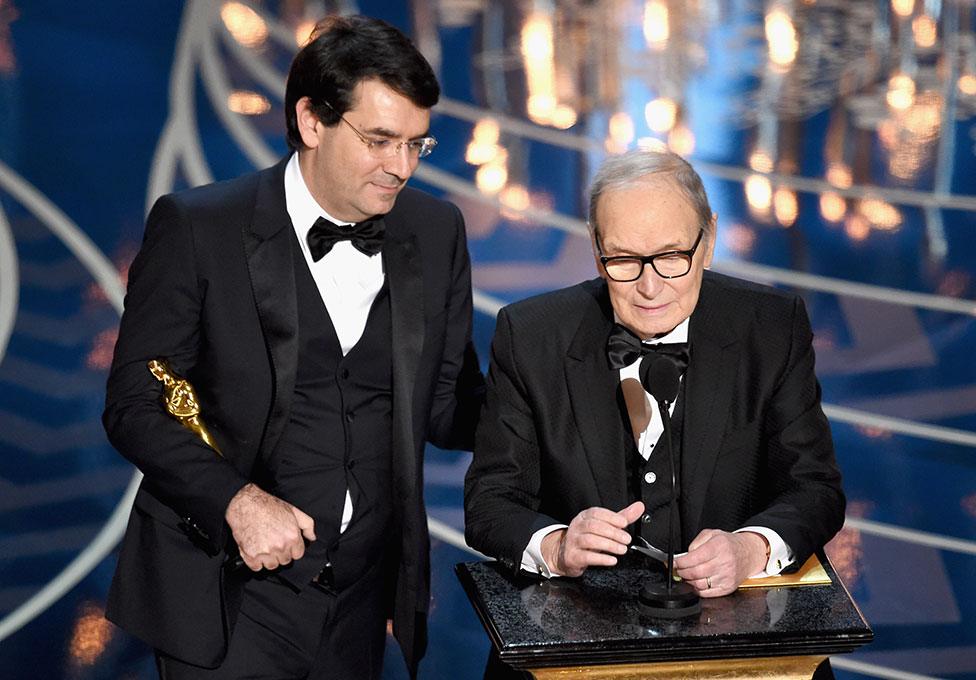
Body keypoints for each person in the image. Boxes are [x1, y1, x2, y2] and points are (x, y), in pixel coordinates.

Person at [104, 15, 483, 680]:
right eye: (379, 140)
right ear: (311, 122)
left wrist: (564, 383)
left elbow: (449, 407)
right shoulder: (200, 228)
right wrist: (237, 501)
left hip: (361, 605)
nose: (400, 167)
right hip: (229, 598)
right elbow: (135, 403)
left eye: (416, 145)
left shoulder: (435, 229)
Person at [465, 148, 844, 599]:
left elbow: (815, 489)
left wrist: (750, 548)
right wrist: (558, 545)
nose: (649, 287)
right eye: (623, 259)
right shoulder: (530, 335)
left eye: (670, 256)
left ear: (708, 243)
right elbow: (489, 503)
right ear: (594, 247)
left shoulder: (772, 327)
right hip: (582, 628)